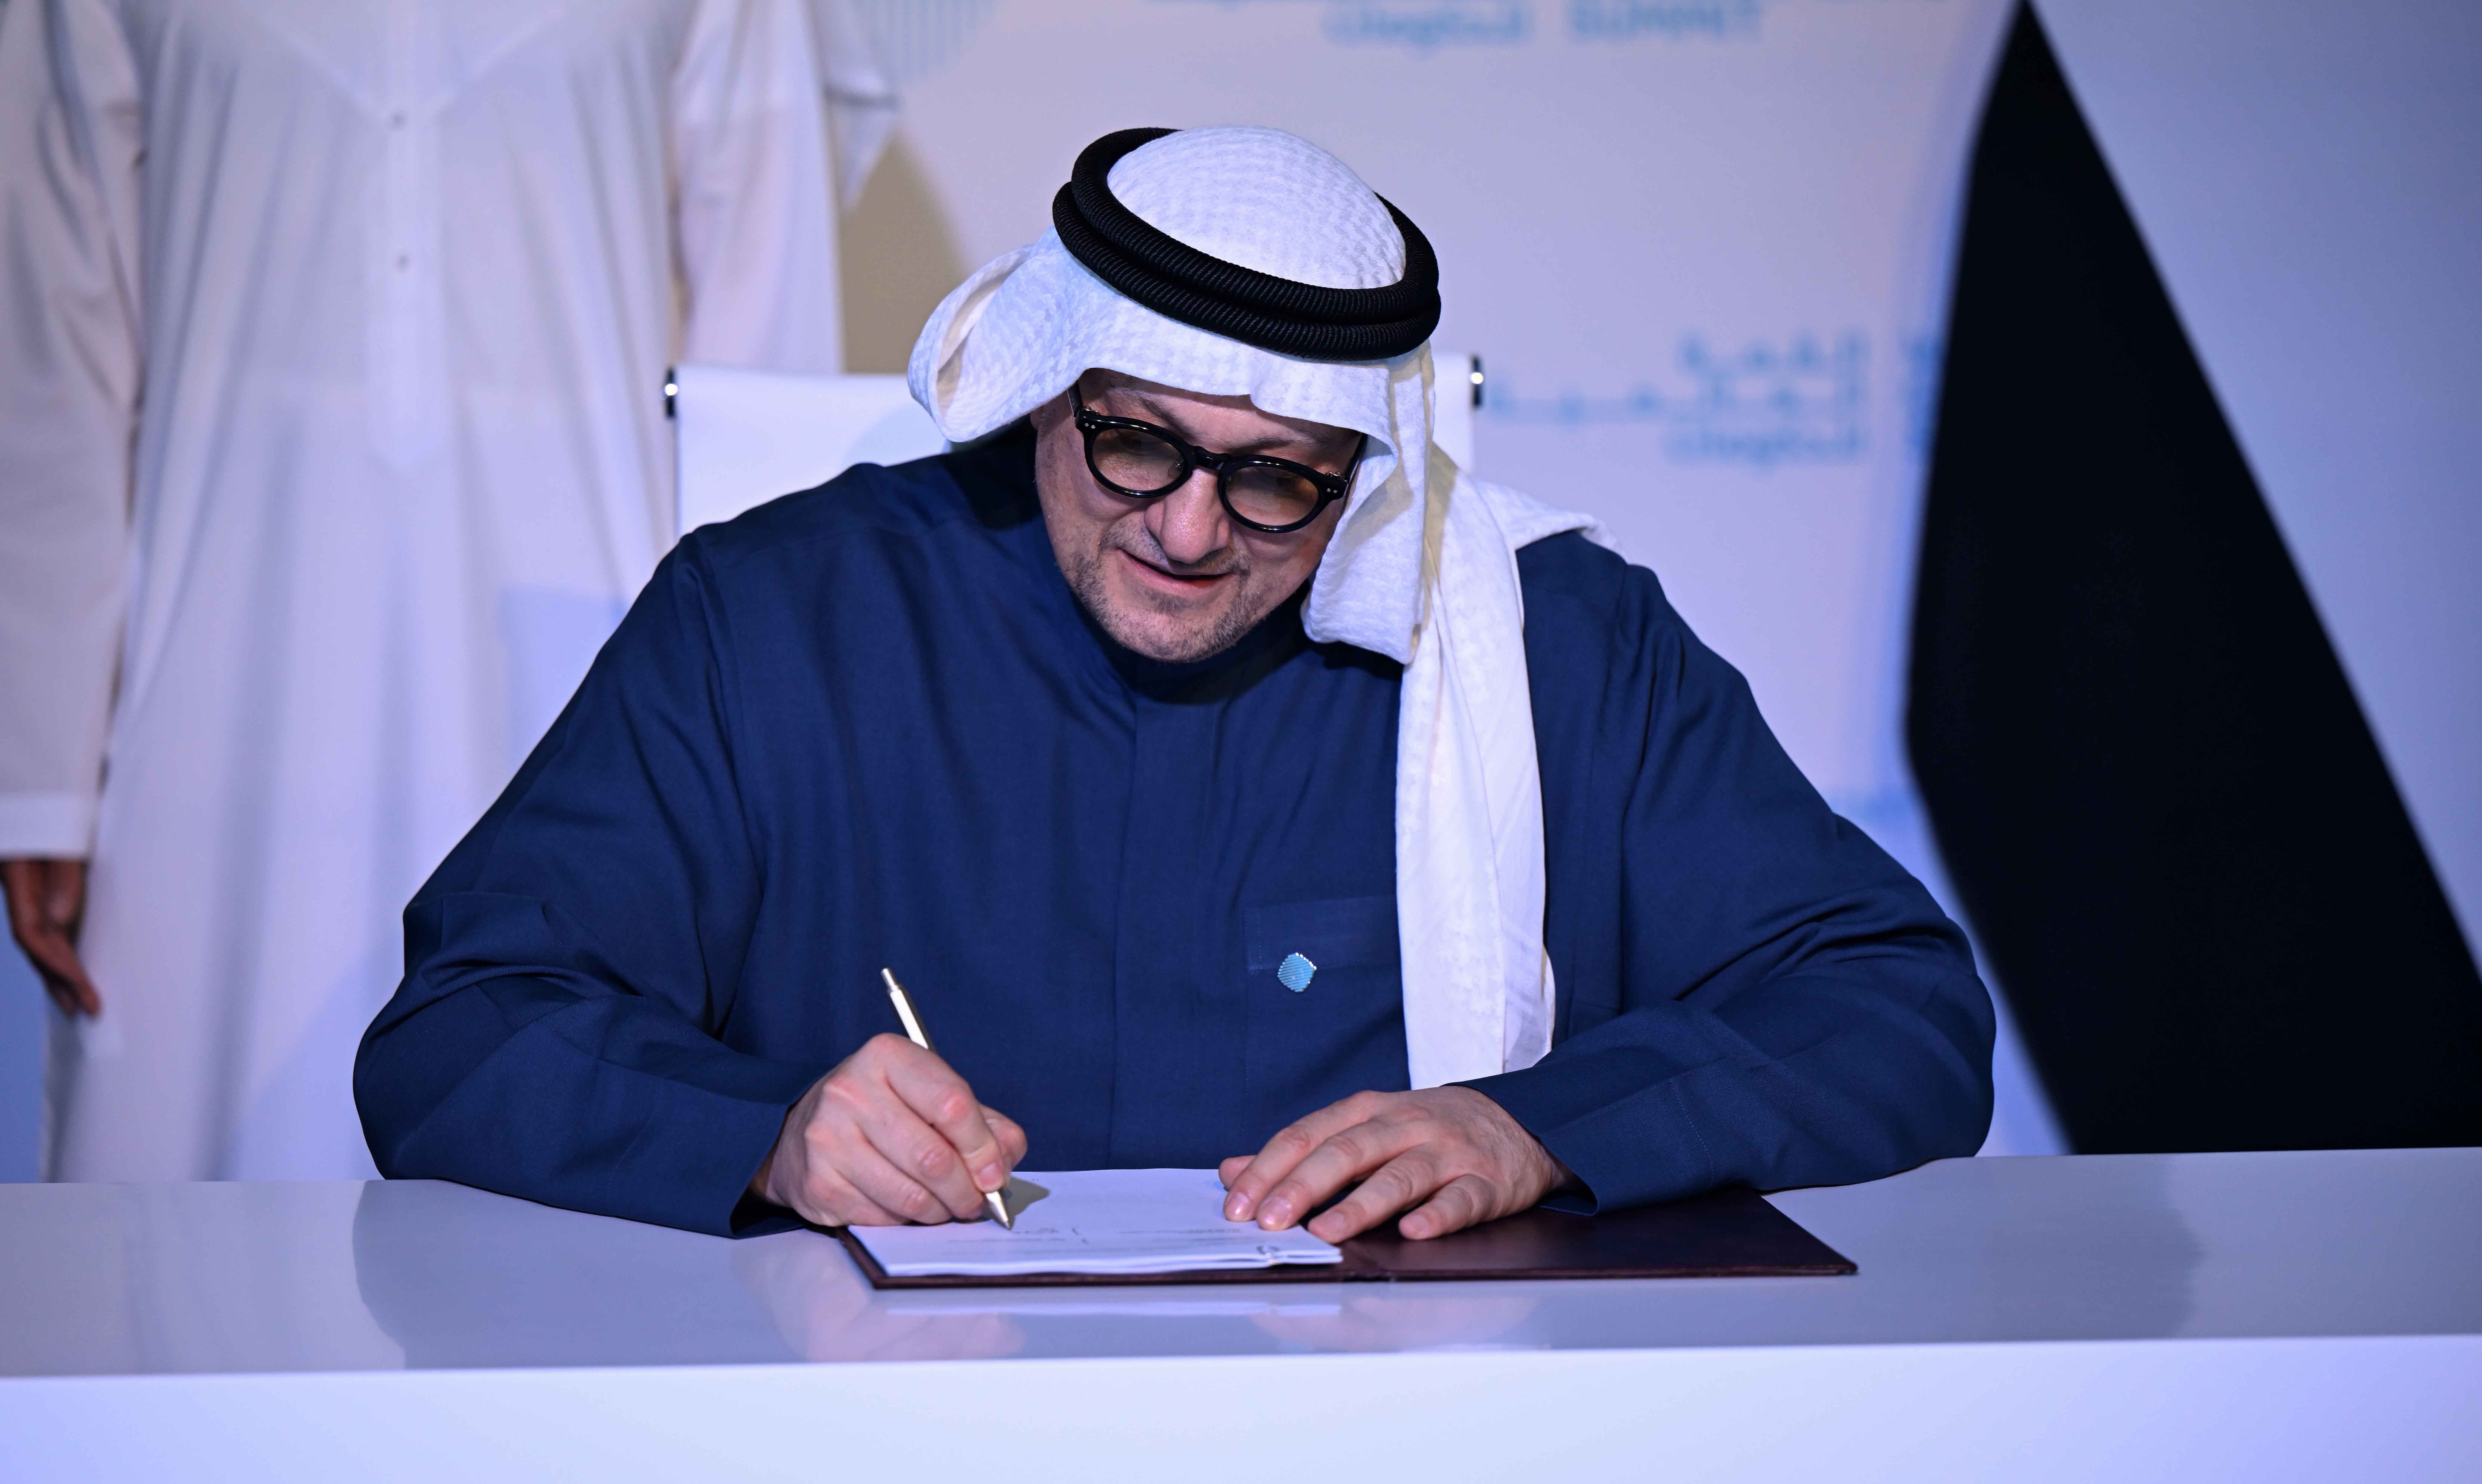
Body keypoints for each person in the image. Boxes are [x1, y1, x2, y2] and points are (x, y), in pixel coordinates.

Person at [356, 125, 1995, 1242]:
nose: (1191, 532)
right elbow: (462, 1031)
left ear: (1363, 469)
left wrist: (1539, 1127)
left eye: (1276, 479)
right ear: (1045, 387)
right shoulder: (779, 617)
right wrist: (768, 1135)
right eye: (1136, 443)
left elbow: (1894, 1006)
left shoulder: (1551, 639)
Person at [0, 0, 891, 1180]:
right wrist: (41, 775)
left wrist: (774, 769)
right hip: (217, 702)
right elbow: (47, 352)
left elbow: (767, 350)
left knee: (573, 1136)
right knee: (179, 1198)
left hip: (590, 685)